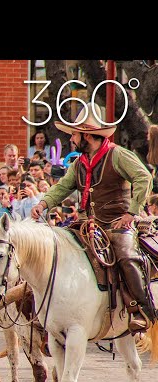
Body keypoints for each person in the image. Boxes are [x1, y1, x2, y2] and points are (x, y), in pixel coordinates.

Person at [31, 104, 154, 333]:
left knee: (127, 257)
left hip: (117, 223)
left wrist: (131, 213)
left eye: (74, 134)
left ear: (86, 135)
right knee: (56, 250)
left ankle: (142, 311)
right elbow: (63, 188)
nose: (71, 139)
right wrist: (43, 203)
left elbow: (143, 178)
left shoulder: (117, 155)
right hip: (88, 224)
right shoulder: (79, 163)